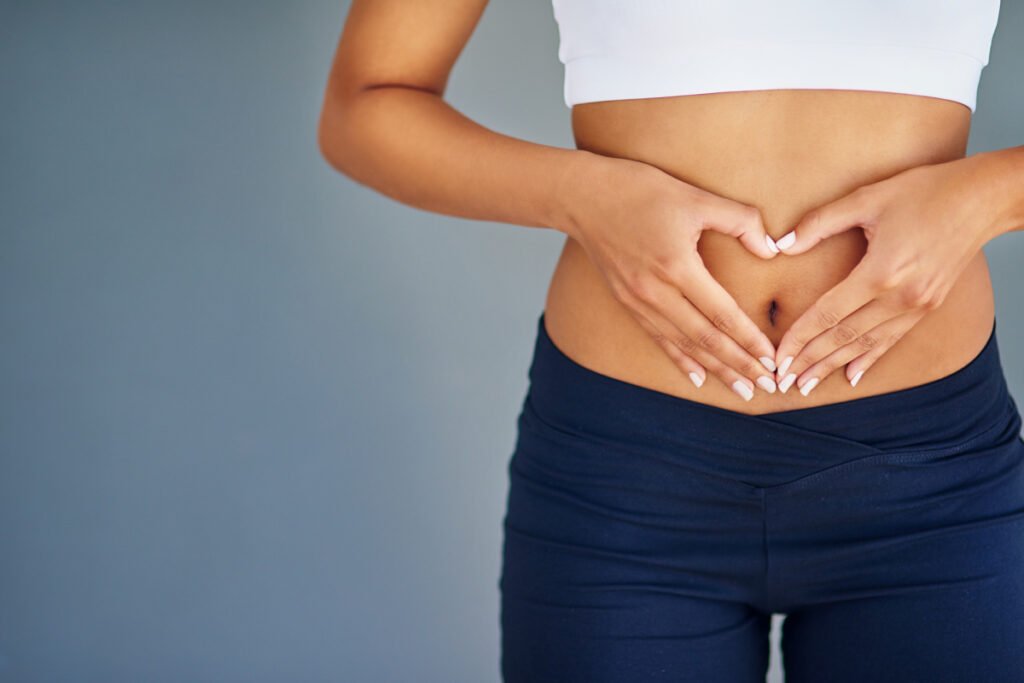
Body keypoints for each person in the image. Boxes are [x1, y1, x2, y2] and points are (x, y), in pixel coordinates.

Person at [318, 1, 1024, 680]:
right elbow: (364, 106)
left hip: (930, 484)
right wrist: (583, 195)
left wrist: (986, 196)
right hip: (624, 484)